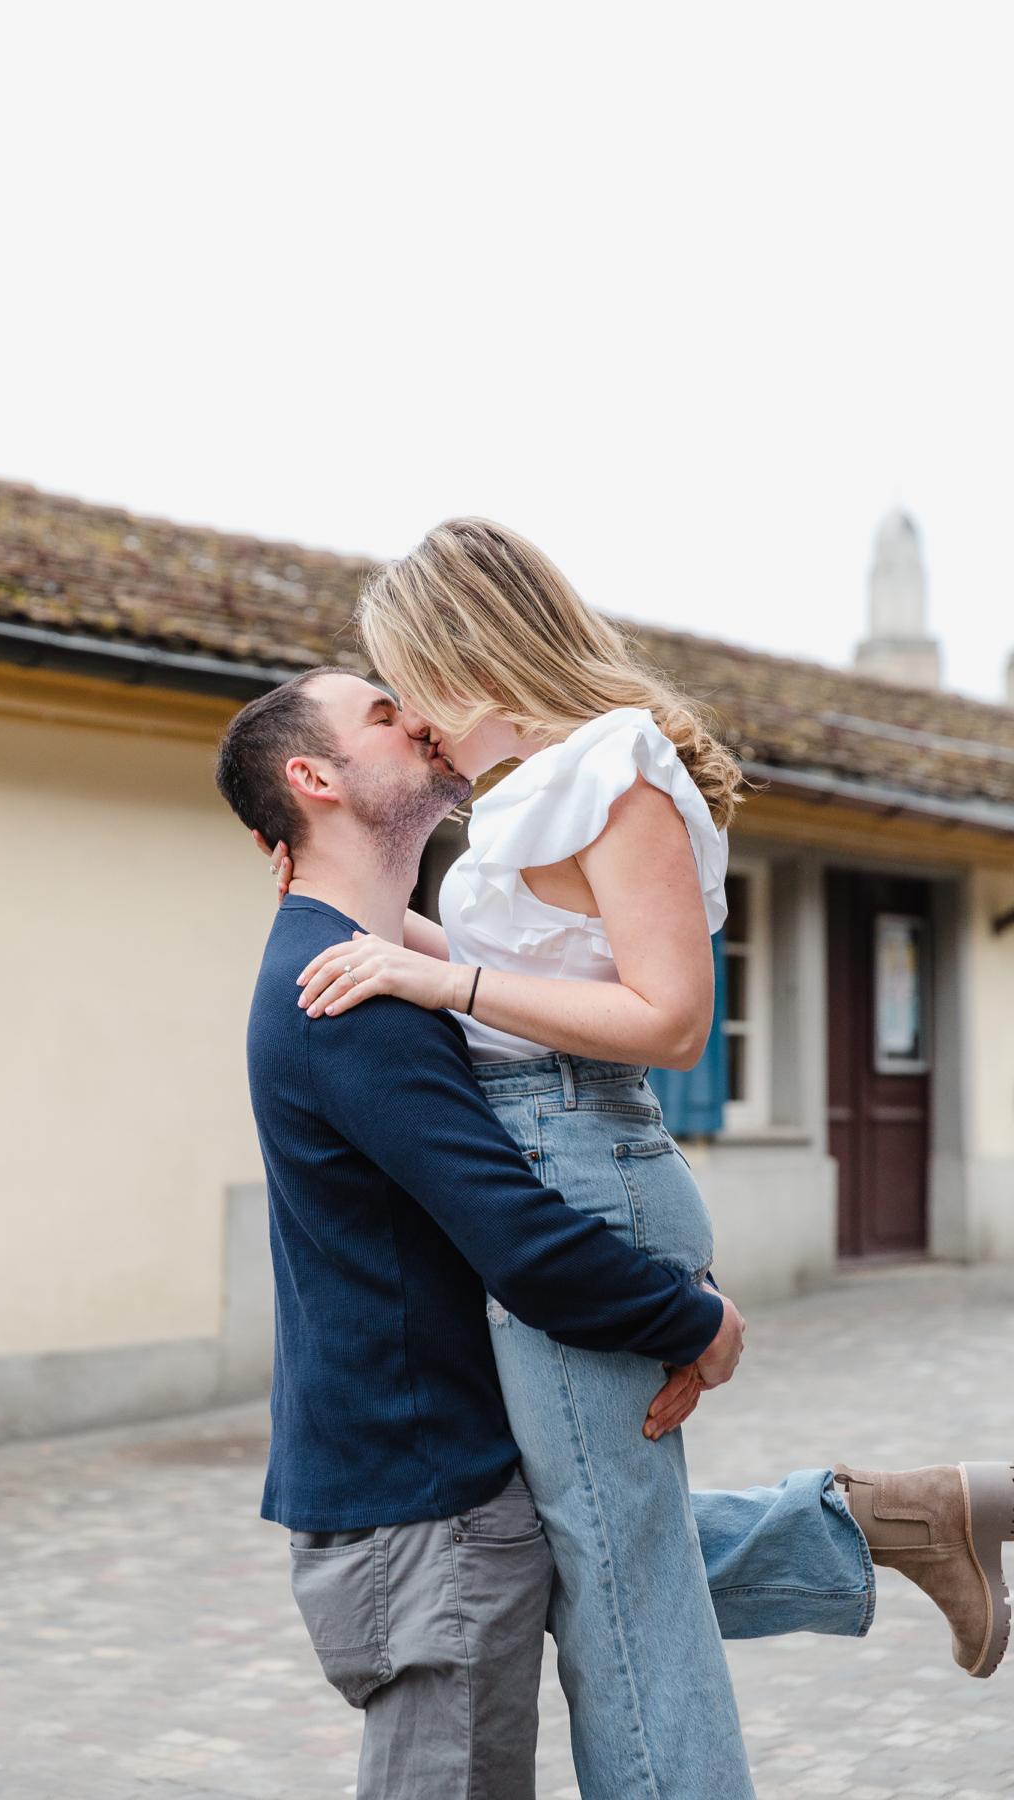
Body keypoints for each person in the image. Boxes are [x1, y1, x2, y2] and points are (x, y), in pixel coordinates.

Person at [246, 526, 1012, 1799]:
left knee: (620, 1588)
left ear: (463, 649)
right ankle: (896, 1520)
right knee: (606, 1548)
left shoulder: (613, 771)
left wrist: (685, 1315)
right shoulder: (520, 804)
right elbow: (525, 974)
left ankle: (896, 1526)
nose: (417, 723)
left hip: (585, 1161)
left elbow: (671, 1022)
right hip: (565, 1159)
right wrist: (343, 919)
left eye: (403, 685)